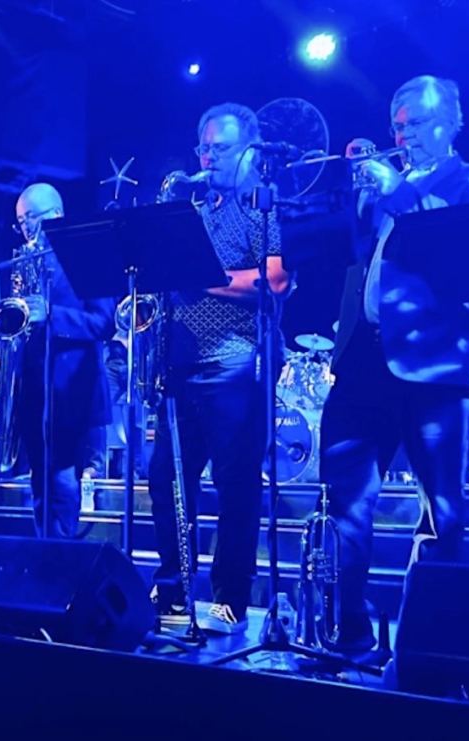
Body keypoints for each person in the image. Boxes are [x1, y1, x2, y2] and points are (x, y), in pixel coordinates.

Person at [320, 75, 469, 654]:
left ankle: (424, 642)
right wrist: (363, 199)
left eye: (419, 125)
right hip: (365, 356)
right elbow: (358, 255)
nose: (406, 137)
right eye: (399, 127)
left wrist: (396, 188)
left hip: (435, 364)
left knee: (443, 511)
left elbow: (452, 245)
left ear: (452, 123)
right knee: (345, 501)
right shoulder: (389, 187)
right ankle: (345, 628)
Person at [148, 102, 292, 632]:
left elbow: (273, 282)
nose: (208, 157)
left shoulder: (260, 205)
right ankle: (173, 590)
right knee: (165, 481)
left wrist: (197, 276)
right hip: (179, 364)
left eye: (220, 148)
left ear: (250, 151)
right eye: (203, 147)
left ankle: (229, 596)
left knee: (235, 487)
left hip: (235, 361)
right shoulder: (194, 206)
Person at [11, 182, 115, 538]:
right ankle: (44, 551)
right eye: (21, 222)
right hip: (32, 383)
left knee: (61, 473)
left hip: (70, 387)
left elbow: (104, 323)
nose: (26, 229)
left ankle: (63, 553)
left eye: (32, 219)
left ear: (56, 215)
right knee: (38, 476)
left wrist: (51, 315)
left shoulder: (88, 256)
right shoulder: (26, 259)